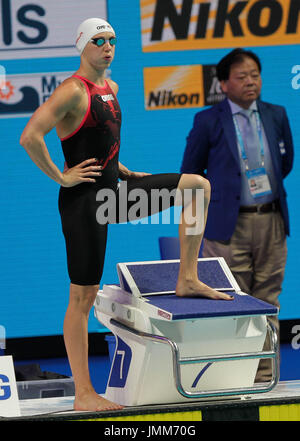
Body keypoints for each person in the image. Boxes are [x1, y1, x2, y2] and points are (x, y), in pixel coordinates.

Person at [20, 18, 233, 412]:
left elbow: (103, 141)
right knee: (81, 297)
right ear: (82, 44)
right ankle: (83, 394)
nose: (108, 47)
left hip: (117, 194)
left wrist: (123, 170)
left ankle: (187, 278)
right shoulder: (71, 91)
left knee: (197, 187)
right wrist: (62, 178)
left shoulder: (112, 88)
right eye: (99, 41)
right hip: (85, 204)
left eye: (113, 41)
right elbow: (30, 135)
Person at [181, 48, 294, 382]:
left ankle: (265, 377)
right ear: (224, 83)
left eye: (255, 75)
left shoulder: (277, 114)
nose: (250, 82)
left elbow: (284, 165)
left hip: (271, 220)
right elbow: (190, 174)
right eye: (242, 77)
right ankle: (233, 378)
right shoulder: (207, 120)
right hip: (228, 225)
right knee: (232, 302)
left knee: (269, 301)